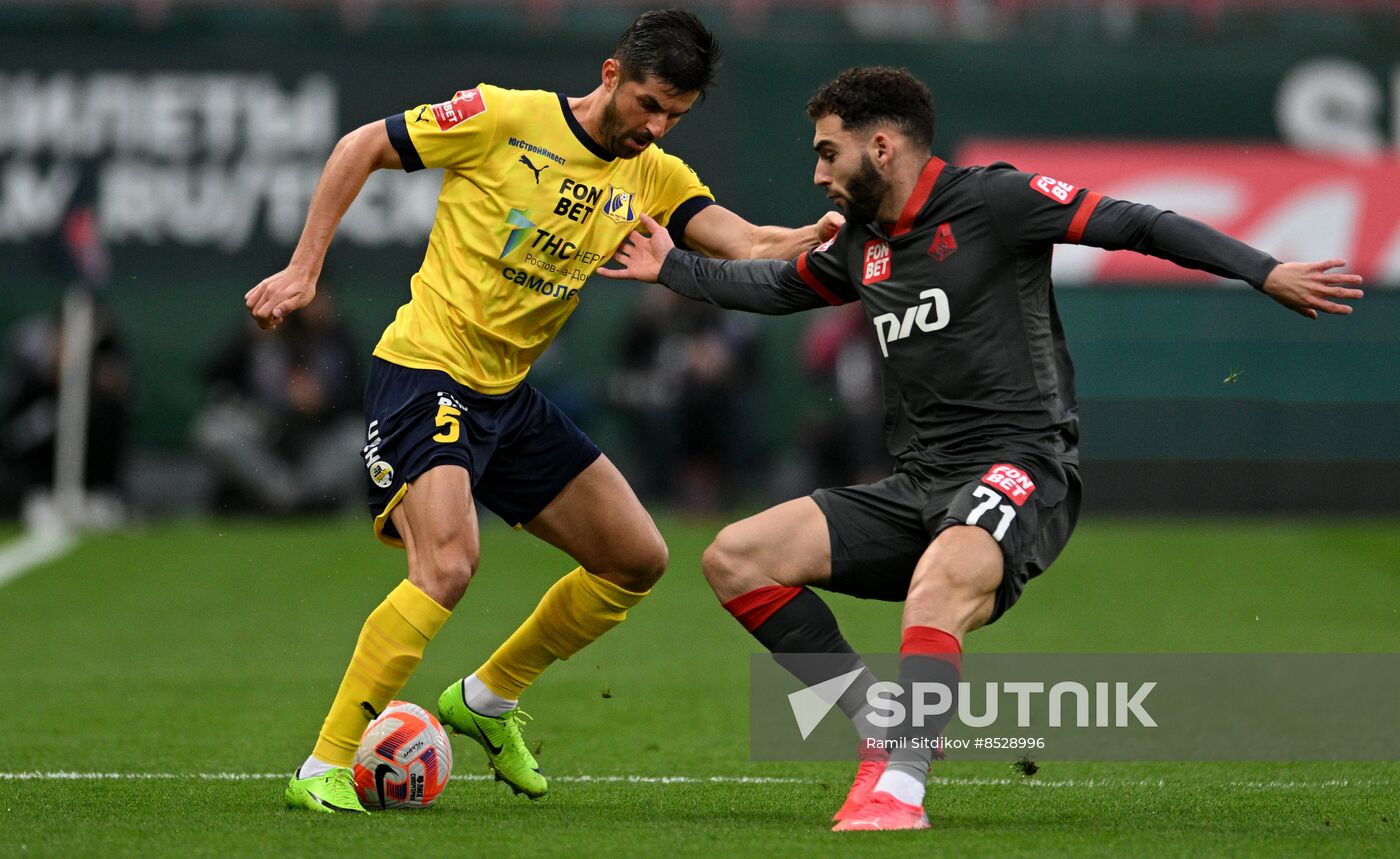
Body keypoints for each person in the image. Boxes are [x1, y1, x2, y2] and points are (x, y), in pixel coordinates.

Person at [598, 66, 1363, 831]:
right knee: (736, 557)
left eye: (830, 153)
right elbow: (779, 286)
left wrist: (1264, 270)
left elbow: (1141, 224)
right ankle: (881, 721)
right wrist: (673, 267)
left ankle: (901, 787)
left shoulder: (994, 200)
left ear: (884, 146)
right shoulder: (866, 243)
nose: (818, 171)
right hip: (920, 483)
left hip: (1022, 465)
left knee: (940, 581)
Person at [245, 10, 839, 814]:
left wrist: (813, 233)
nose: (656, 127)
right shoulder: (504, 117)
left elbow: (743, 240)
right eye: (650, 104)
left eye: (675, 116)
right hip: (426, 371)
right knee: (448, 563)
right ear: (610, 75)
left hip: (506, 396)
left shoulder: (652, 172)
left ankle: (483, 702)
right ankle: (324, 763)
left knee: (636, 558)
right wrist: (304, 268)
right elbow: (362, 146)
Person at [194, 291, 363, 514]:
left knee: (358, 437)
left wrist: (323, 400)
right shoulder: (261, 335)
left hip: (319, 436)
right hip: (264, 434)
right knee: (215, 431)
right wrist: (248, 337)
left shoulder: (336, 339)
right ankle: (286, 499)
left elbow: (360, 395)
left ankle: (309, 501)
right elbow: (212, 374)